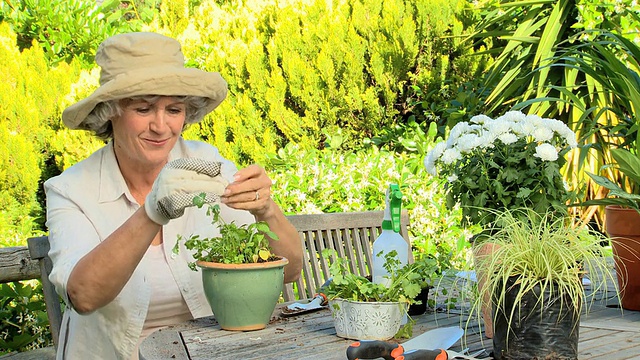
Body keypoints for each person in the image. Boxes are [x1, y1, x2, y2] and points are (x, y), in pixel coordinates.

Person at [44, 32, 303, 359]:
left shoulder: (208, 165)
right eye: (143, 108)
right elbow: (83, 295)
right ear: (111, 111)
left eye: (174, 109)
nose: (161, 126)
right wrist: (152, 213)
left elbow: (290, 271)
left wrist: (266, 210)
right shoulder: (71, 190)